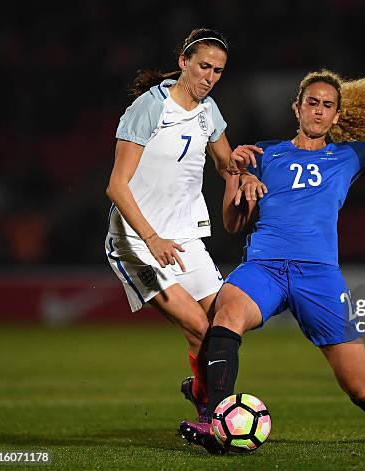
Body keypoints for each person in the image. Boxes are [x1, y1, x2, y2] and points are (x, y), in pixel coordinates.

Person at [178, 31, 365, 454]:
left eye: (327, 105)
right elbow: (232, 224)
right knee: (225, 316)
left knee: (359, 386)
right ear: (297, 107)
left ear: (337, 115)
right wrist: (239, 185)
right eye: (312, 102)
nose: (319, 111)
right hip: (265, 267)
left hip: (319, 276)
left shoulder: (349, 156)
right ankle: (215, 418)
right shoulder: (261, 155)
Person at [104, 28, 264, 422]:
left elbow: (224, 162)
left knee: (224, 325)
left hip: (185, 239)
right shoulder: (149, 108)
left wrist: (238, 166)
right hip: (137, 241)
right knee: (197, 324)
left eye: (218, 71)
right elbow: (116, 186)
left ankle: (199, 391)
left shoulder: (209, 111)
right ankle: (211, 414)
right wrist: (151, 238)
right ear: (183, 63)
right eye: (204, 67)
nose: (209, 77)